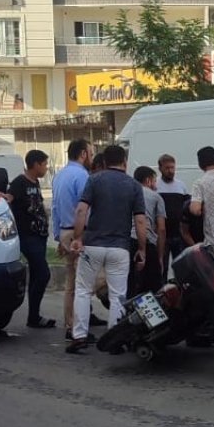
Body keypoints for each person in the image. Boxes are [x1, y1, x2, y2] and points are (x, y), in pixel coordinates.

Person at [69, 145, 147, 352]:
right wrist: (142, 249)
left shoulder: (94, 180)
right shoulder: (134, 186)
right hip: (120, 249)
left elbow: (81, 210)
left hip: (93, 245)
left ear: (104, 162)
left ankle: (79, 336)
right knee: (118, 295)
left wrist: (78, 237)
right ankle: (114, 339)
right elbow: (140, 221)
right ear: (124, 161)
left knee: (84, 290)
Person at [6, 150, 54, 329]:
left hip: (40, 236)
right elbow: (9, 199)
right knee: (43, 273)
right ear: (35, 164)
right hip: (28, 237)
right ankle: (33, 315)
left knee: (36, 275)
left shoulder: (36, 183)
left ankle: (34, 316)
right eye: (44, 164)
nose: (46, 168)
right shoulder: (20, 182)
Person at [51, 138, 92, 341]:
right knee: (84, 282)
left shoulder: (59, 176)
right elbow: (83, 209)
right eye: (90, 153)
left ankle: (71, 324)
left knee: (71, 284)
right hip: (79, 232)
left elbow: (55, 209)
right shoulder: (82, 175)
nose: (91, 157)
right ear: (83, 153)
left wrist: (59, 236)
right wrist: (81, 236)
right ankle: (79, 327)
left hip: (64, 231)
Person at [129, 166, 167, 296]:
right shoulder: (156, 197)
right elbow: (161, 229)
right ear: (148, 180)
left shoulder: (128, 193)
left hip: (127, 242)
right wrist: (160, 257)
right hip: (146, 241)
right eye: (155, 181)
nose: (156, 185)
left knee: (129, 284)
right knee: (153, 287)